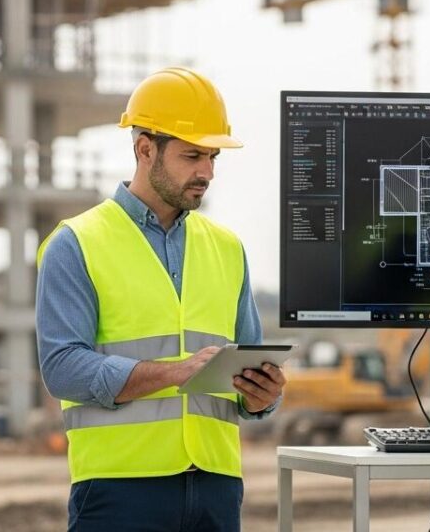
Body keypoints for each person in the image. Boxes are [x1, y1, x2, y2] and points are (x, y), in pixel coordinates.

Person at [35, 67, 286, 532]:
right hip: (117, 488)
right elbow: (62, 368)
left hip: (217, 487)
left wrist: (263, 397)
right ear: (144, 148)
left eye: (212, 157)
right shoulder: (76, 243)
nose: (207, 171)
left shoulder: (227, 248)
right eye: (193, 155)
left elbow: (248, 373)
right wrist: (177, 372)